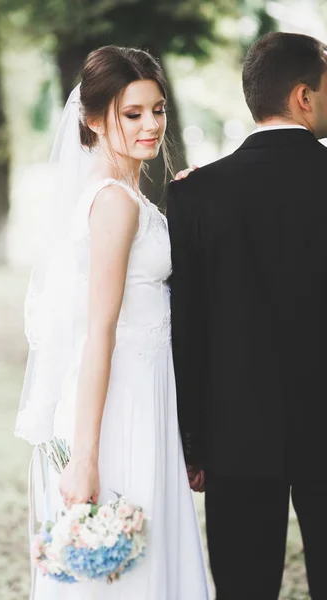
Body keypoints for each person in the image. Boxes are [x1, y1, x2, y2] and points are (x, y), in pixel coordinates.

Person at [15, 46, 211, 600]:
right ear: (95, 119)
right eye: (133, 114)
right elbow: (97, 331)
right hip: (121, 403)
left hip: (145, 394)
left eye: (158, 110)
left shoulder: (128, 197)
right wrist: (86, 458)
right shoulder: (115, 204)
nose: (152, 125)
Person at [167, 31, 327, 600]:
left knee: (242, 588)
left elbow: (184, 329)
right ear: (304, 96)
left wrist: (193, 441)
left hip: (235, 435)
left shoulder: (195, 194)